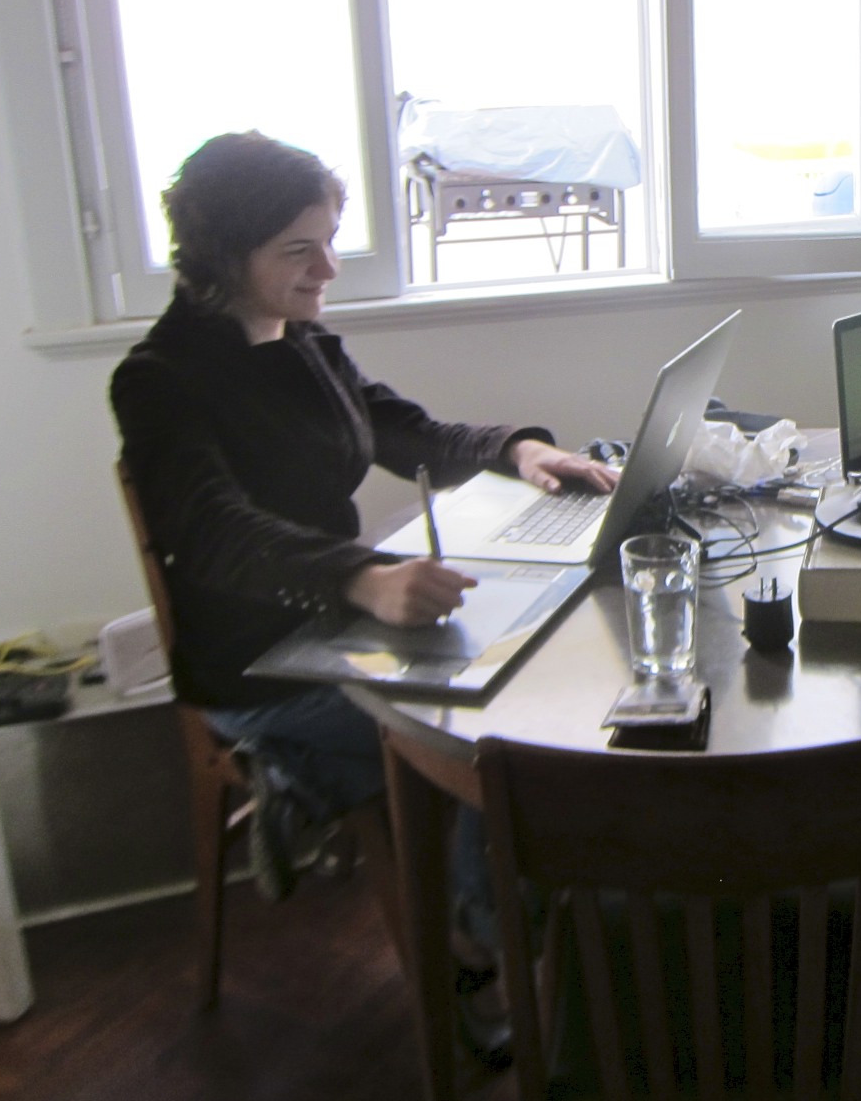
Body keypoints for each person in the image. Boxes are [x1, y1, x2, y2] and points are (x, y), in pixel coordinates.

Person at [110, 131, 616, 1059]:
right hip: (259, 662)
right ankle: (476, 941)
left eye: (331, 238)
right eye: (299, 249)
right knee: (495, 737)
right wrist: (363, 577)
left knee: (541, 693)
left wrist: (521, 450)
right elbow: (213, 529)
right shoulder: (157, 381)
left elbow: (405, 430)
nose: (328, 267)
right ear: (227, 254)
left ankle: (342, 808)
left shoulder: (301, 342)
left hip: (348, 620)